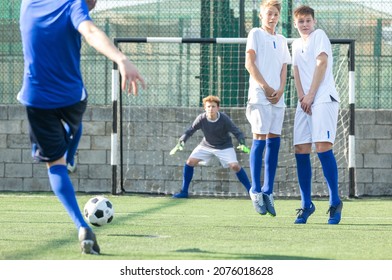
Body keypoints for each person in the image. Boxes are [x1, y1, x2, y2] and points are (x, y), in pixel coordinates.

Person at [18, 0, 146, 254]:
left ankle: (81, 225)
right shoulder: (73, 5)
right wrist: (121, 58)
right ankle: (70, 152)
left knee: (54, 164)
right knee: (74, 129)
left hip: (36, 98)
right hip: (72, 98)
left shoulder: (28, 3)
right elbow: (89, 32)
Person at [291, 5, 343, 224]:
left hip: (323, 98)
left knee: (322, 146)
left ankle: (334, 202)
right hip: (306, 100)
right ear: (295, 24)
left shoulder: (319, 36)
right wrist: (303, 96)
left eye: (308, 20)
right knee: (300, 148)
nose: (305, 24)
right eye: (301, 21)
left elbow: (321, 64)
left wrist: (311, 94)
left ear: (314, 22)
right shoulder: (294, 44)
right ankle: (306, 204)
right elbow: (296, 70)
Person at [245, 0, 291, 216]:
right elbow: (250, 63)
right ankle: (255, 190)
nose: (272, 17)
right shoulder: (255, 33)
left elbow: (284, 68)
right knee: (259, 139)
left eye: (275, 14)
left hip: (277, 98)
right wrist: (265, 87)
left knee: (274, 141)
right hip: (260, 96)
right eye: (268, 14)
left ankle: (268, 191)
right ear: (261, 16)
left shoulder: (281, 40)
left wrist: (280, 89)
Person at [171, 95, 251, 198]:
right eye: (208, 106)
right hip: (206, 145)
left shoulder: (224, 119)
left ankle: (251, 191)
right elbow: (190, 130)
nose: (211, 109)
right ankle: (184, 192)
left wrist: (242, 143)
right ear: (205, 108)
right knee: (190, 162)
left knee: (235, 166)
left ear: (218, 108)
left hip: (224, 147)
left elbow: (238, 132)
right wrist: (182, 141)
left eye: (213, 106)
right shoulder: (201, 118)